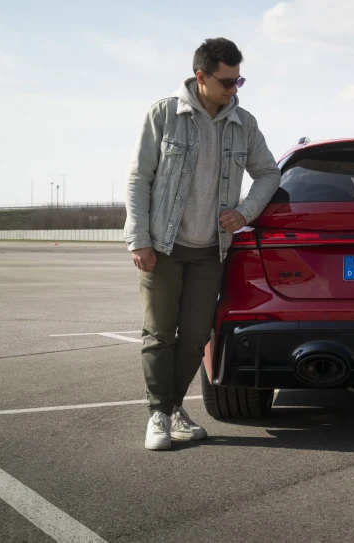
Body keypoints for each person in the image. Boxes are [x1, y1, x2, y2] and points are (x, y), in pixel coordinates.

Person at [123, 37, 280, 451]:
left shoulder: (244, 123)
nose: (234, 90)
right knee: (159, 334)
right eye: (227, 82)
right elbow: (139, 179)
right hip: (162, 244)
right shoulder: (164, 114)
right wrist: (139, 239)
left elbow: (268, 173)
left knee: (195, 336)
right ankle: (159, 414)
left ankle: (173, 409)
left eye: (238, 81)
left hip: (212, 249)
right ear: (201, 76)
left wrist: (245, 212)